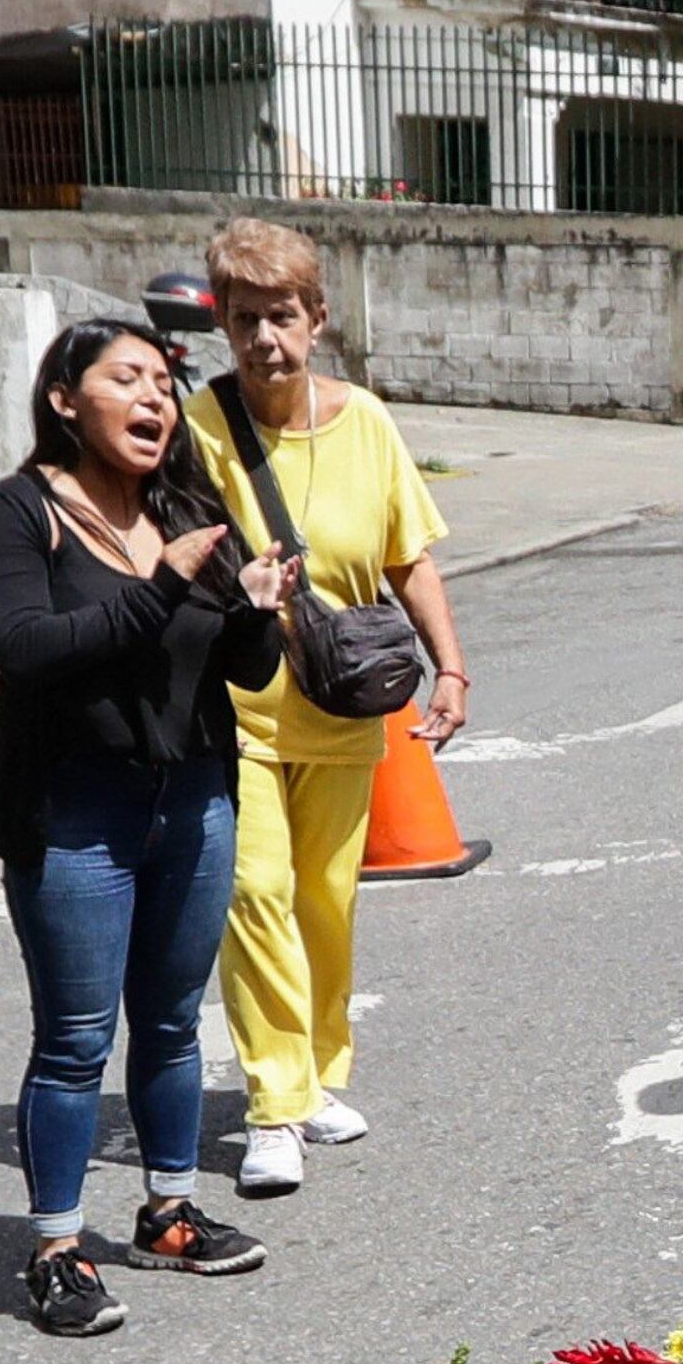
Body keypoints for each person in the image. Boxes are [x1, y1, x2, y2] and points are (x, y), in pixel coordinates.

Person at [0, 317, 294, 1333]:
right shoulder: (17, 514)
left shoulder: (190, 507)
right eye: (127, 380)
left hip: (194, 798)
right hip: (75, 812)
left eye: (163, 382)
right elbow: (29, 648)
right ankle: (58, 1249)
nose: (155, 399)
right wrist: (162, 584)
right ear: (65, 399)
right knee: (74, 1038)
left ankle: (167, 1209)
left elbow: (247, 672)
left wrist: (250, 606)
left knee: (169, 1019)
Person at [185, 219, 471, 1201]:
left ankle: (317, 1073)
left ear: (317, 318)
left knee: (326, 902)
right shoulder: (201, 427)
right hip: (235, 705)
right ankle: (273, 1107)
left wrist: (451, 669)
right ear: (222, 325)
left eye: (281, 315)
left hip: (343, 701)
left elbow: (407, 557)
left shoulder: (368, 422)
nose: (265, 336)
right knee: (254, 892)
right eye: (243, 318)